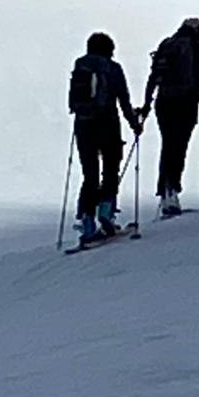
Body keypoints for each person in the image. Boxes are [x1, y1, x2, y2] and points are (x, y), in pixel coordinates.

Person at [67, 32, 141, 244]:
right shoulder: (113, 68)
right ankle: (106, 212)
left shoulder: (80, 65)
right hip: (108, 124)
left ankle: (87, 221)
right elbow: (123, 100)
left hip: (83, 124)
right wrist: (134, 124)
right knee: (110, 168)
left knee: (89, 174)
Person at [143, 17, 199, 217]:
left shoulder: (166, 45)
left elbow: (154, 76)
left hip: (163, 101)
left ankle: (165, 192)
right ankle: (172, 191)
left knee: (167, 145)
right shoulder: (198, 49)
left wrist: (146, 104)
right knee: (179, 147)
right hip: (186, 103)